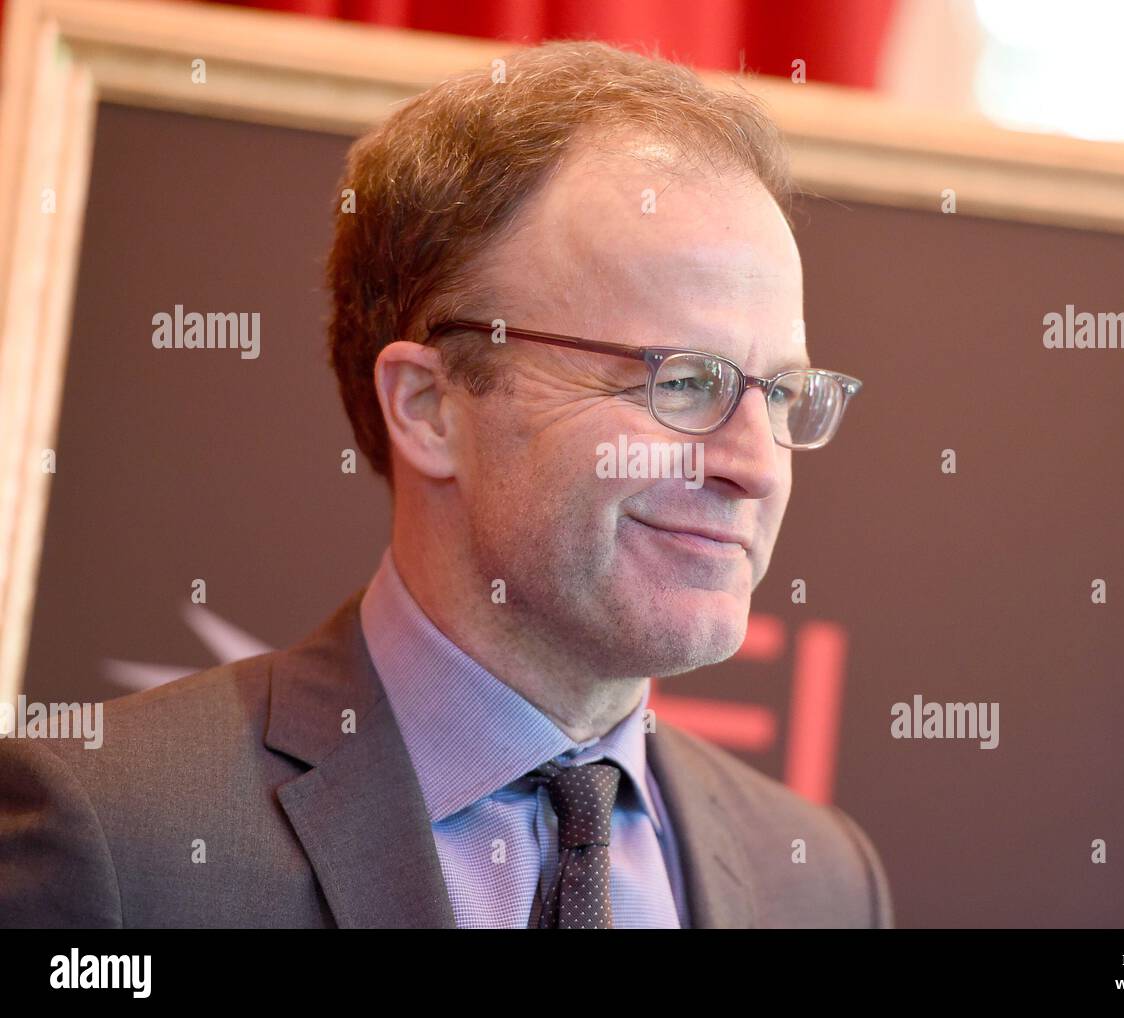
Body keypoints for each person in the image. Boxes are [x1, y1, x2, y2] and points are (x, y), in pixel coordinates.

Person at [0, 39, 890, 929]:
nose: (757, 465)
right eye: (684, 382)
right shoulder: (117, 840)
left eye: (783, 393)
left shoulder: (818, 883)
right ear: (430, 406)